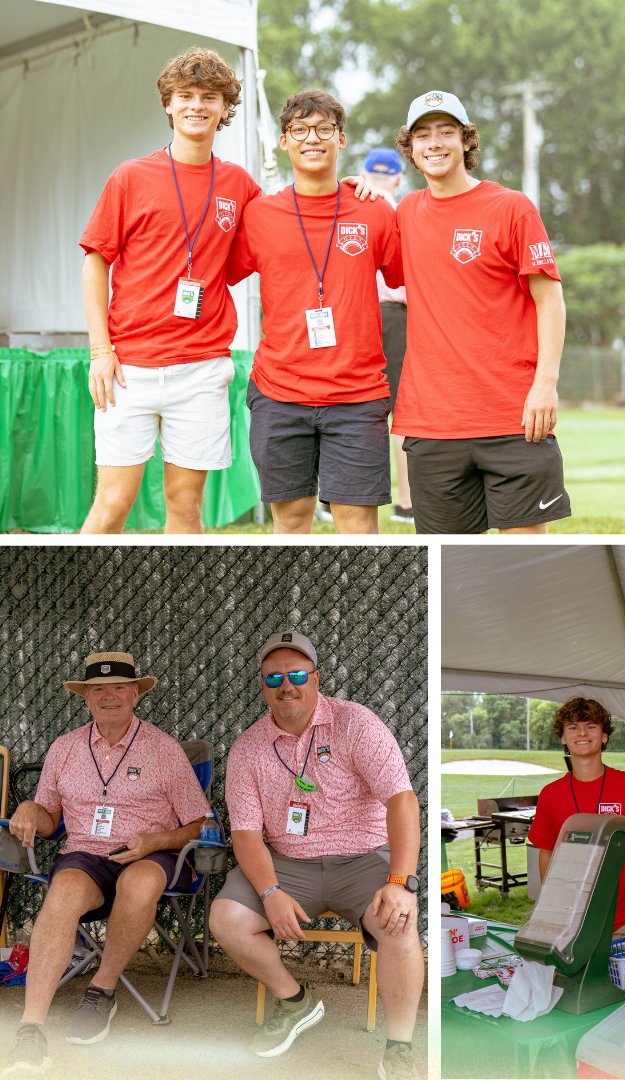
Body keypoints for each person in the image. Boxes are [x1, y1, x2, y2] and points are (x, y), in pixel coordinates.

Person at [208, 632, 422, 1079]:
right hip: (286, 864)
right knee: (226, 919)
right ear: (263, 685)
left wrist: (399, 882)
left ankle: (399, 1048)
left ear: (317, 678)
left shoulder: (355, 723)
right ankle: (296, 1003)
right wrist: (269, 891)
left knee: (399, 923)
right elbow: (246, 834)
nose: (287, 685)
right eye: (275, 677)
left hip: (363, 858)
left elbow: (401, 801)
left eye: (298, 674)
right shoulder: (249, 747)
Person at [79, 48, 261, 534]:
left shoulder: (240, 185)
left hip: (201, 369)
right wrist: (101, 351)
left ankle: (180, 611)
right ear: (167, 104)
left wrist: (351, 189)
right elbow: (95, 261)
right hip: (128, 370)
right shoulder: (130, 176)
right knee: (112, 506)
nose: (196, 105)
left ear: (226, 107)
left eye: (209, 97)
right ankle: (70, 604)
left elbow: (278, 236)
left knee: (185, 509)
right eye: (185, 96)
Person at [3, 652, 209, 1071]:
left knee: (139, 883)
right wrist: (27, 806)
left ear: (135, 694)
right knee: (62, 892)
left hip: (153, 854)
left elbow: (198, 822)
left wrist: (157, 840)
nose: (109, 696)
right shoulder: (64, 749)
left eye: (119, 687)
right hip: (85, 855)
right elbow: (48, 820)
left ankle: (101, 990)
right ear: (86, 698)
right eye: (98, 689)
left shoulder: (164, 750)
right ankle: (31, 1028)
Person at [387, 90, 570, 534]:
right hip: (432, 422)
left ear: (466, 141)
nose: (434, 143)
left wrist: (545, 385)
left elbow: (550, 300)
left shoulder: (511, 207)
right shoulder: (406, 211)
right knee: (451, 566)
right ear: (409, 148)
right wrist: (355, 190)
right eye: (423, 134)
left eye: (446, 132)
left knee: (527, 564)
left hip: (513, 416)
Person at [226, 92, 402, 535]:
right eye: (300, 130)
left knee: (358, 523)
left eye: (324, 129)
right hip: (279, 392)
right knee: (290, 521)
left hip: (357, 396)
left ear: (341, 140)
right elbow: (215, 270)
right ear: (284, 142)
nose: (312, 139)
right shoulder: (259, 215)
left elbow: (411, 279)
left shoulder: (375, 211)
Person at [528, 698, 625, 937]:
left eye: (591, 726)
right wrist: (553, 906)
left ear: (604, 736)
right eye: (573, 727)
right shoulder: (551, 794)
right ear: (563, 738)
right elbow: (547, 850)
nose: (582, 732)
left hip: (623, 918)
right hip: (571, 919)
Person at [362, 147, 413, 525]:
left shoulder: (354, 205)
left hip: (359, 314)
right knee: (401, 409)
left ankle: (336, 499)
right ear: (398, 177)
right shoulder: (402, 212)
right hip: (396, 315)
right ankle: (406, 502)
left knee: (356, 405)